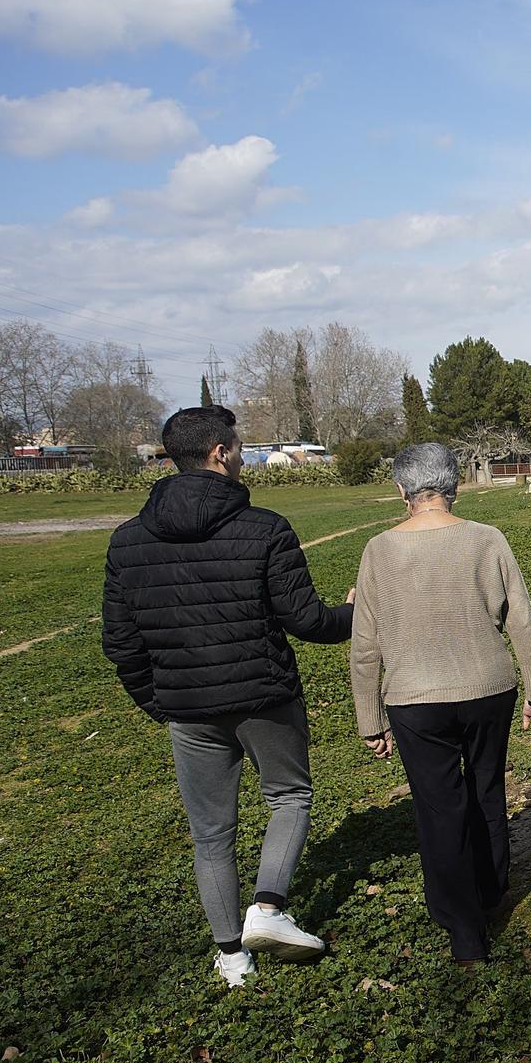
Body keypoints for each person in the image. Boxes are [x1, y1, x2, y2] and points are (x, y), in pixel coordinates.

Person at [102, 405, 351, 988]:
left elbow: (121, 642)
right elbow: (308, 620)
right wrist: (359, 612)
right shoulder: (265, 528)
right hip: (265, 697)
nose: (241, 455)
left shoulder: (127, 540)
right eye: (238, 446)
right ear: (220, 453)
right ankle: (267, 909)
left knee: (211, 833)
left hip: (187, 707)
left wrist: (158, 701)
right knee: (289, 796)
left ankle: (231, 956)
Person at [349, 443, 531, 964]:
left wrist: (369, 718)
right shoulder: (488, 539)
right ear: (454, 485)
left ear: (401, 490)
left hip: (415, 699)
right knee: (486, 789)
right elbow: (521, 619)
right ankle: (491, 891)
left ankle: (464, 928)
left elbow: (364, 641)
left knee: (440, 808)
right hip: (489, 686)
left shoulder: (380, 549)